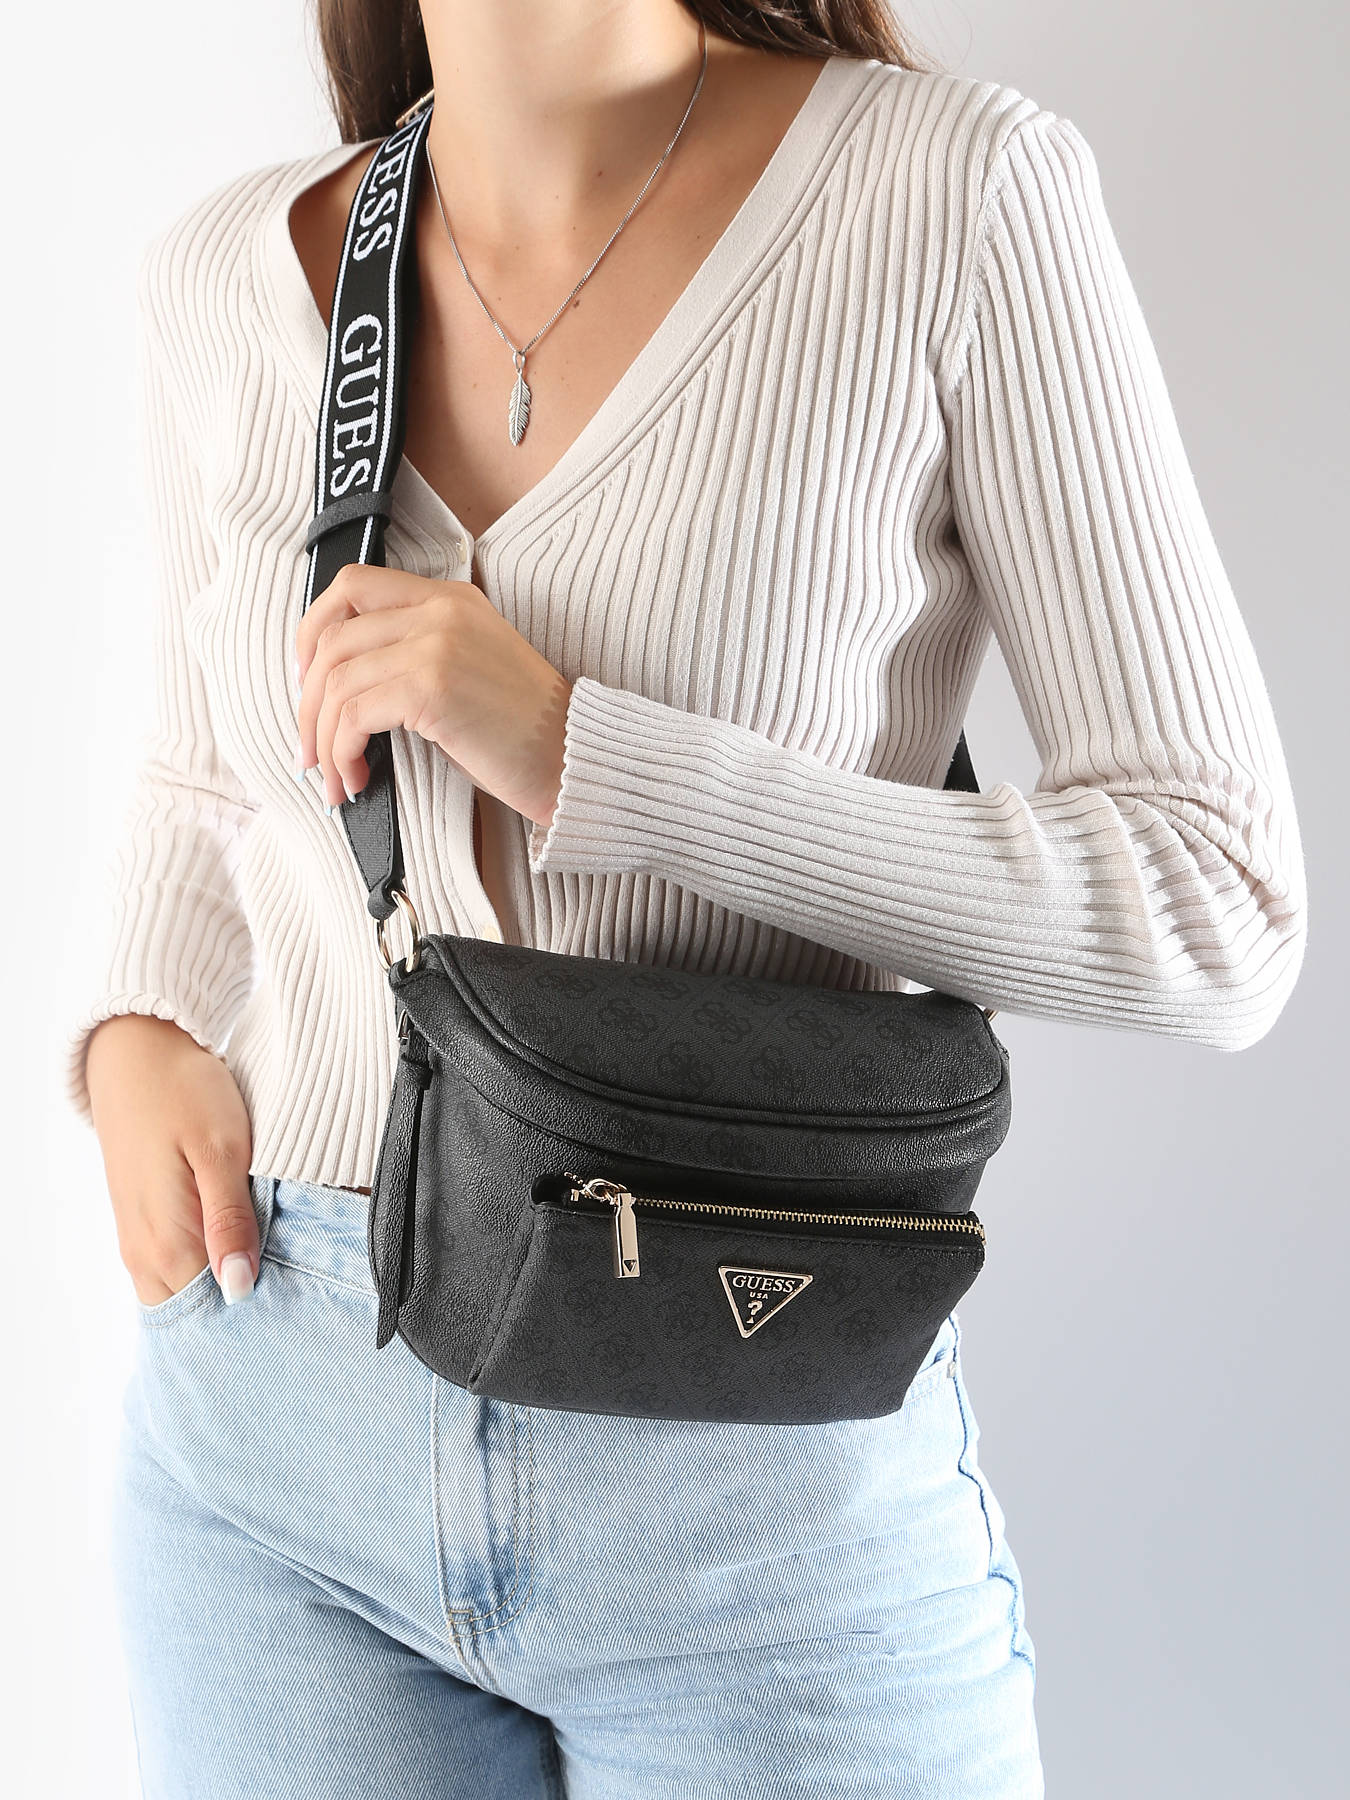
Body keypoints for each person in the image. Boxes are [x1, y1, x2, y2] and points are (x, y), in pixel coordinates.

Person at [65, 2, 1307, 1795]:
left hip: (756, 1450)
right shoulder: (221, 276)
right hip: (273, 1443)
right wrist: (136, 1029)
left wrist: (590, 754)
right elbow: (205, 770)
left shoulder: (955, 196)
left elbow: (1218, 900)